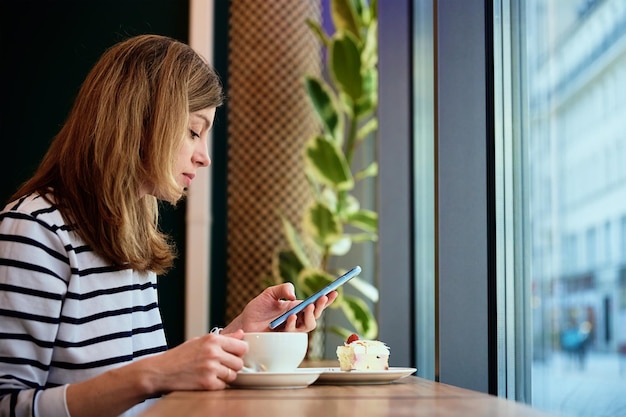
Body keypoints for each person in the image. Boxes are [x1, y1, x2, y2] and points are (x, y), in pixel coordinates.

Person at [0, 34, 337, 417]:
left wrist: (241, 335)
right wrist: (153, 374)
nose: (204, 157)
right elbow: (7, 406)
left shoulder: (130, 230)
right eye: (194, 131)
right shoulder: (33, 231)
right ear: (139, 121)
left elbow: (145, 392)